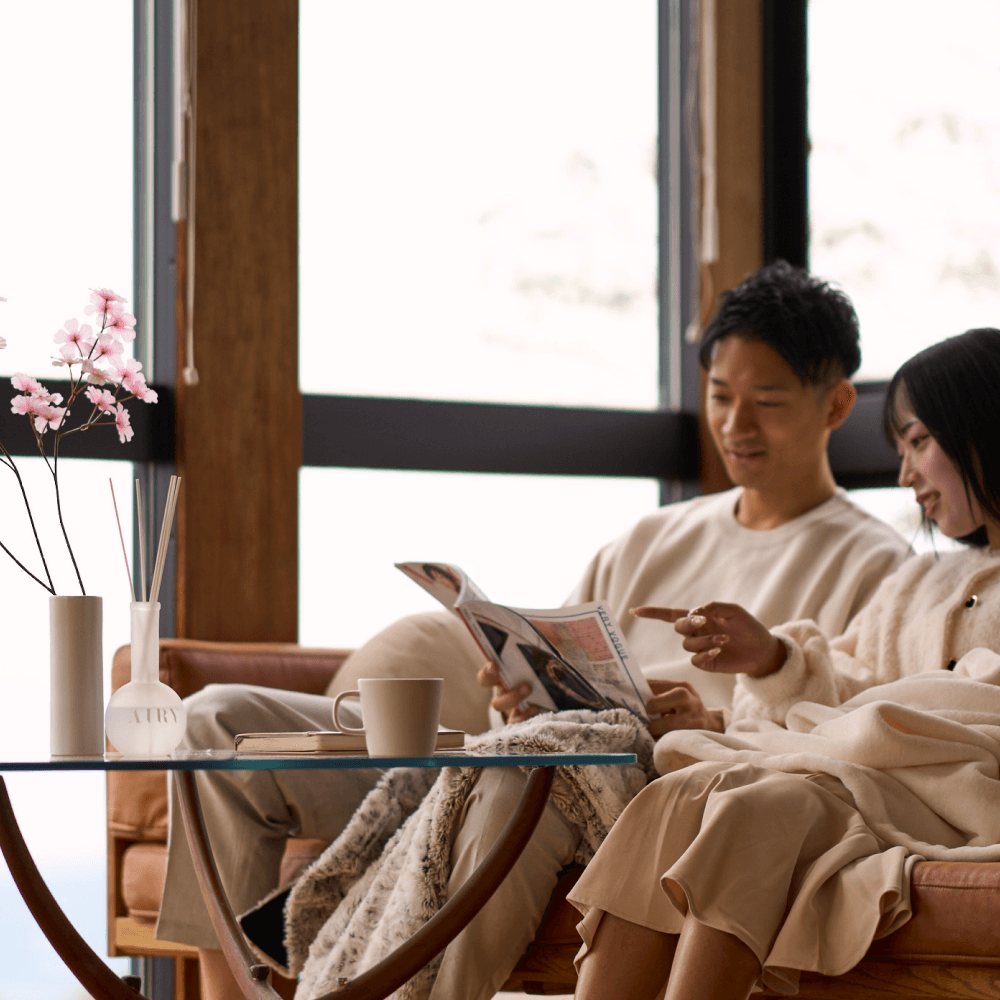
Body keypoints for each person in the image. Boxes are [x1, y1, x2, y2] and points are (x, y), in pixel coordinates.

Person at [154, 261, 910, 1000]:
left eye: (767, 402)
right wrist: (517, 698)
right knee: (216, 720)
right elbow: (563, 674)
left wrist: (712, 720)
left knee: (518, 776)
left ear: (836, 404)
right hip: (520, 755)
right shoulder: (652, 538)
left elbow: (848, 735)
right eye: (719, 396)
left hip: (643, 790)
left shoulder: (876, 564)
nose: (734, 425)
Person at [567, 326, 1000, 1000]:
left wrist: (901, 718)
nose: (906, 475)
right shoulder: (920, 582)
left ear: (984, 431)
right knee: (677, 791)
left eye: (919, 441)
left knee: (764, 805)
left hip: (959, 790)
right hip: (869, 771)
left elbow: (940, 710)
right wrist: (771, 658)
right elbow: (859, 683)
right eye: (900, 449)